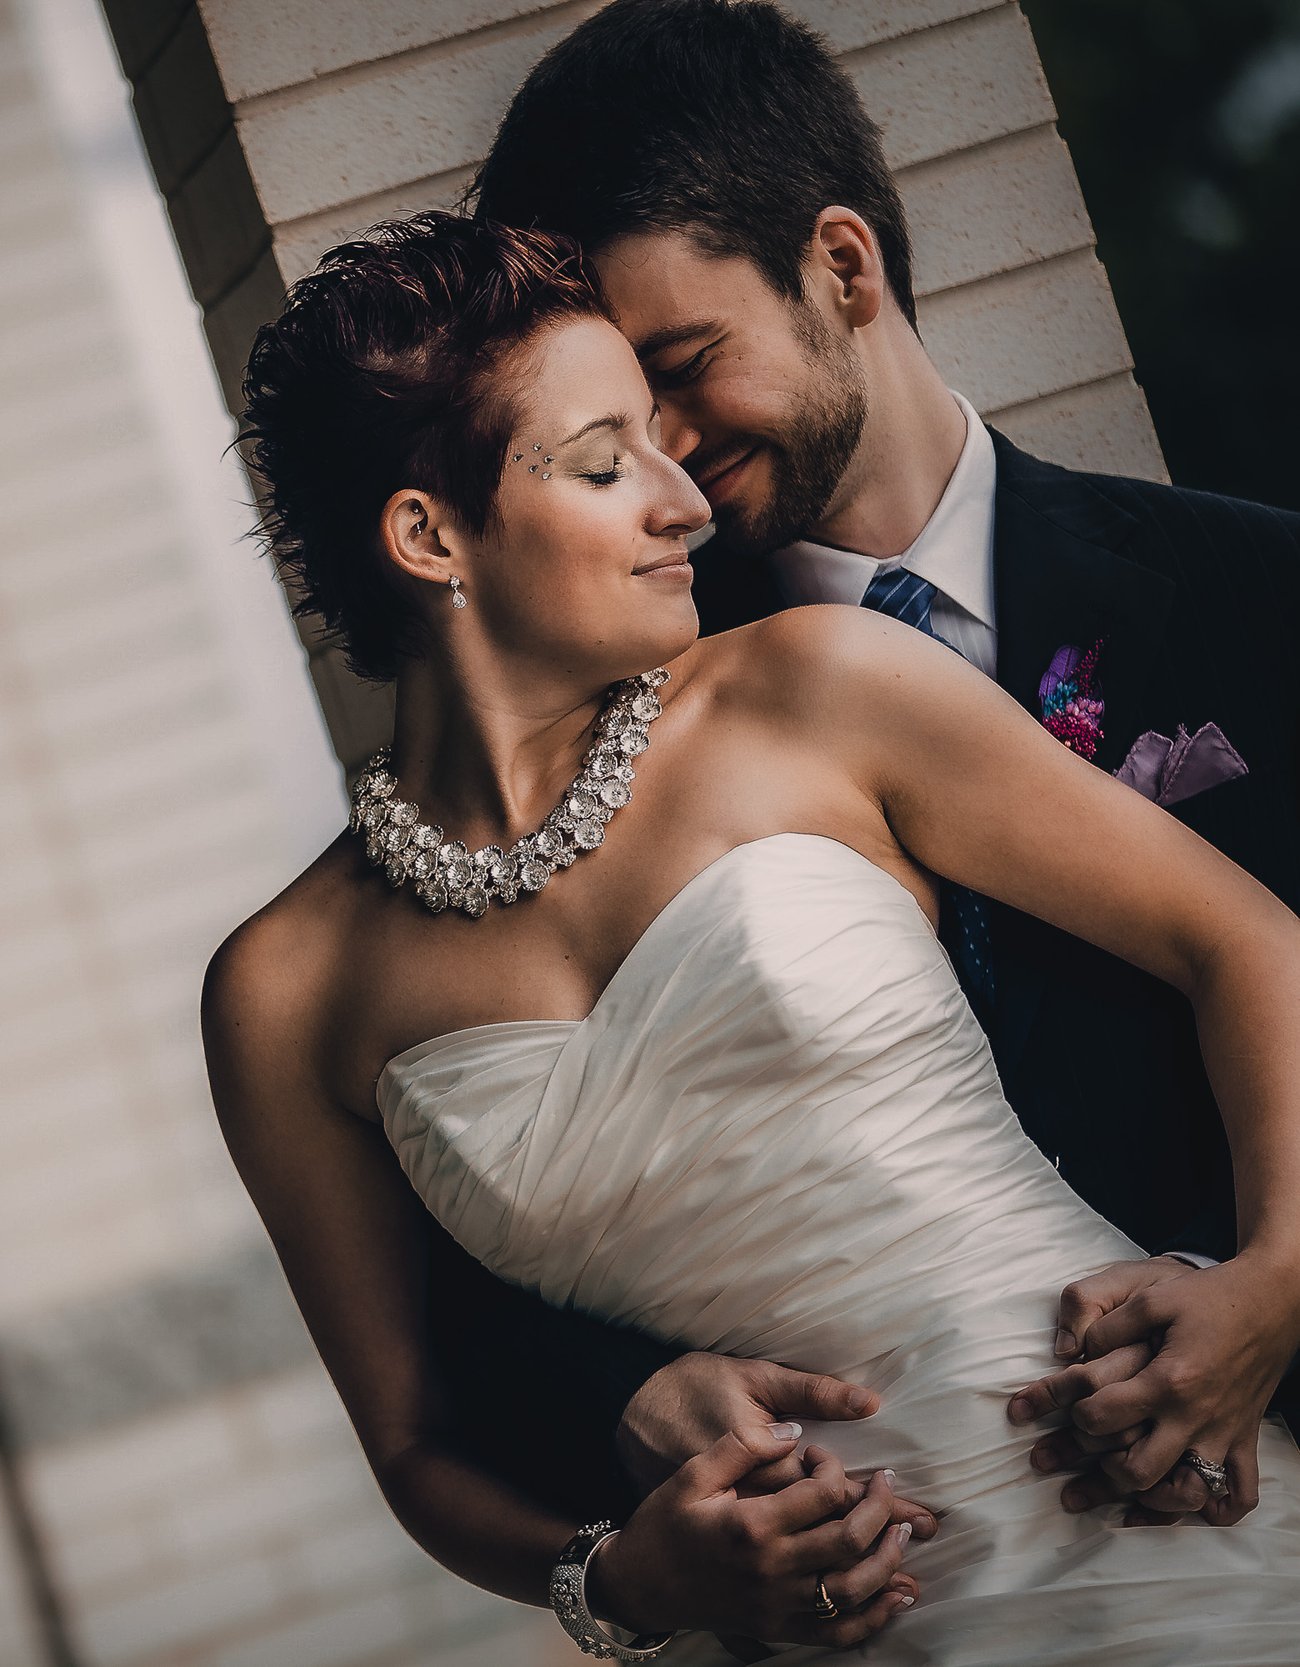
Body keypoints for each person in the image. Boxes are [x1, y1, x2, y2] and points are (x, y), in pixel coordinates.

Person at [202, 210, 1300, 1661]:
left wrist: (1272, 1281)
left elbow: (1248, 939)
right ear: (429, 534)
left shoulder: (816, 686)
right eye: (605, 464)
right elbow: (415, 1446)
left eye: (664, 441)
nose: (685, 503)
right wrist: (626, 1578)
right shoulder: (286, 994)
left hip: (1174, 1515)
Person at [437, 0, 1300, 1543]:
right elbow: (521, 1231)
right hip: (961, 1570)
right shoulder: (626, 761)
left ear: (844, 267)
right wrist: (626, 1395)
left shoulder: (1256, 588)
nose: (667, 457)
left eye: (686, 370)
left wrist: (1277, 1282)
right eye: (610, 428)